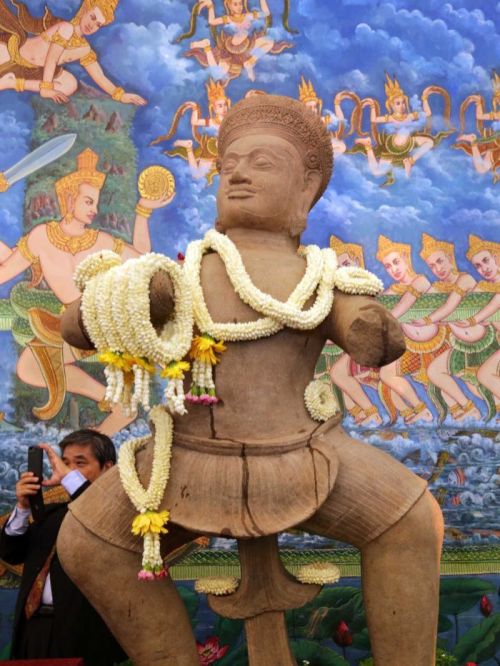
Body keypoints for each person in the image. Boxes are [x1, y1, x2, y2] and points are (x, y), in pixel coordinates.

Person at [58, 95, 443, 666]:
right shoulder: (177, 271)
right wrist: (133, 297)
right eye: (229, 164)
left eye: (262, 163)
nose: (237, 172)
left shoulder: (324, 276)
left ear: (306, 188)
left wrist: (368, 327)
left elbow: (370, 332)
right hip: (185, 457)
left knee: (411, 519)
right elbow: (78, 323)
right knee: (87, 541)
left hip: (307, 453)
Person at [0, 147, 173, 432]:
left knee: (32, 365)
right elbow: (5, 271)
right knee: (28, 368)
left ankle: (119, 408)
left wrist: (143, 211)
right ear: (69, 199)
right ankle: (118, 405)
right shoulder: (41, 236)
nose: (95, 210)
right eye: (89, 201)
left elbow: (143, 257)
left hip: (102, 322)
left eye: (96, 203)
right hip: (68, 324)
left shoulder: (101, 240)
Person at [0, 429, 127, 664]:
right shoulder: (51, 515)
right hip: (34, 631)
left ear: (108, 468)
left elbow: (95, 512)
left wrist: (69, 479)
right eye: (65, 463)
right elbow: (11, 553)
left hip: (82, 634)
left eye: (80, 463)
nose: (66, 471)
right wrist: (22, 508)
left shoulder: (119, 516)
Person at [0, 0, 146, 105]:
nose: (92, 25)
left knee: (70, 84)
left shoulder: (84, 49)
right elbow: (52, 58)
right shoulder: (66, 28)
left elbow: (100, 76)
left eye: (98, 25)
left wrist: (120, 95)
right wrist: (46, 88)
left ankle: (12, 82)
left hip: (33, 72)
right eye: (92, 17)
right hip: (14, 52)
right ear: (85, 9)